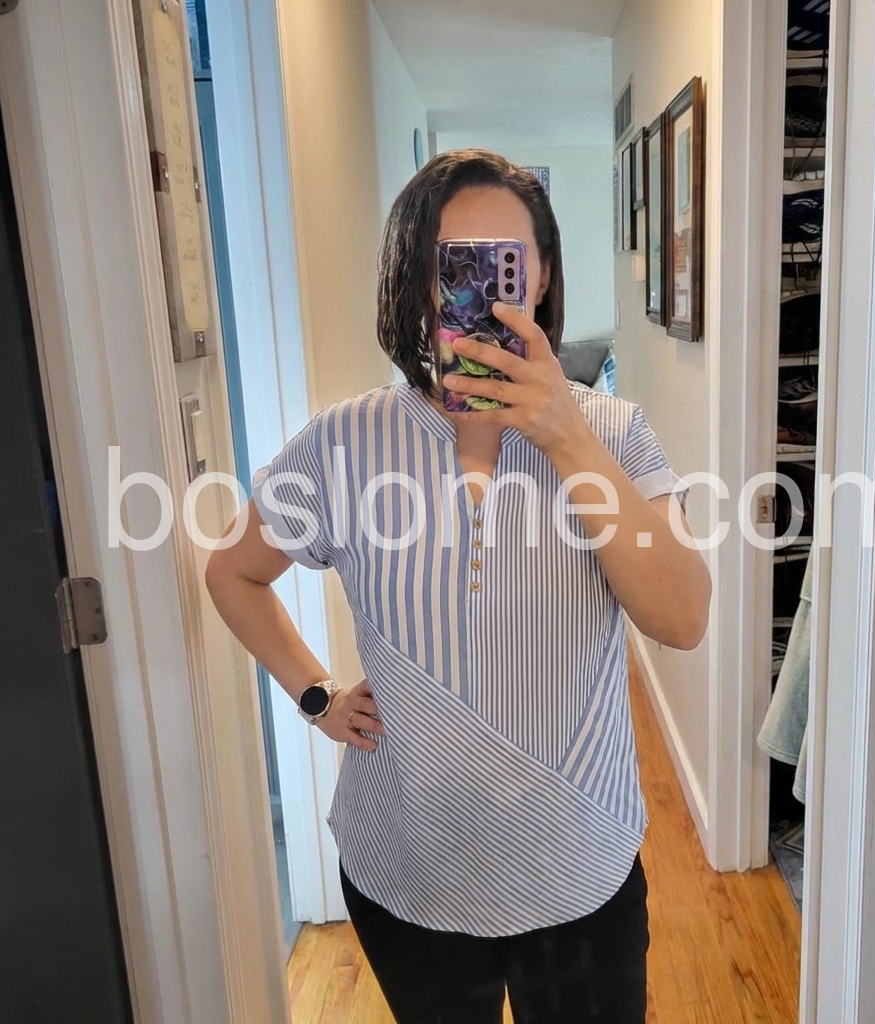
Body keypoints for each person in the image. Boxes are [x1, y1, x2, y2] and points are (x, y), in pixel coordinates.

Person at [205, 149, 711, 1024]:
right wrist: (317, 696)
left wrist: (566, 437)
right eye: (455, 264)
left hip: (578, 865)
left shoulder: (616, 433)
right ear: (418, 280)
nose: (481, 289)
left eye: (504, 262)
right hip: (409, 870)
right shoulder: (343, 442)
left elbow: (683, 616)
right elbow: (233, 571)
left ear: (541, 275)